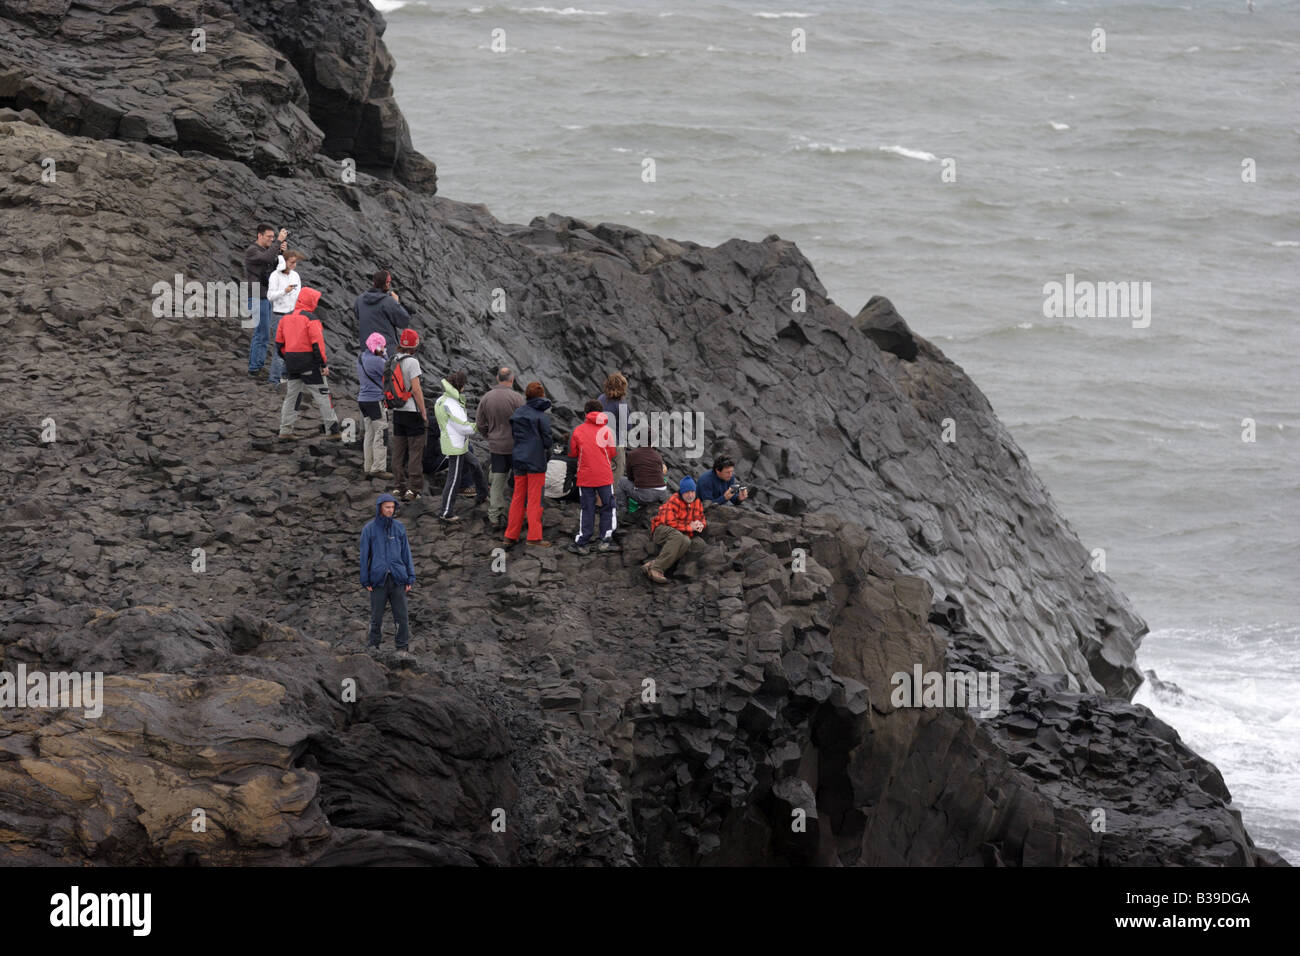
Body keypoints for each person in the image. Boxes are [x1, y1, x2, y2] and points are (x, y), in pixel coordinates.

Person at [275, 287, 341, 440]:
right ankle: (333, 431)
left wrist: (288, 357)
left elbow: (279, 344)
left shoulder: (286, 318)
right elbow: (318, 344)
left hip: (291, 362)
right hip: (309, 363)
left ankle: (285, 430)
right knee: (323, 395)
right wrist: (323, 364)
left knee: (291, 396)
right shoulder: (311, 319)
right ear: (310, 301)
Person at [359, 493, 415, 656]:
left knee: (402, 616)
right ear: (380, 508)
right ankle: (373, 646)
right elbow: (364, 556)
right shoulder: (369, 529)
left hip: (398, 578)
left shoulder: (399, 528)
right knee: (376, 616)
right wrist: (365, 579)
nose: (390, 510)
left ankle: (402, 648)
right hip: (377, 580)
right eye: (387, 507)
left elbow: (406, 553)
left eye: (392, 507)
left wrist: (410, 576)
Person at [504, 381, 553, 548]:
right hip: (535, 462)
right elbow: (547, 440)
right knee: (534, 499)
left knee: (517, 498)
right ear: (541, 395)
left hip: (518, 460)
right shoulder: (541, 416)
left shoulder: (518, 413)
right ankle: (534, 537)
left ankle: (510, 535)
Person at [476, 366, 525, 530]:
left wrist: (489, 436)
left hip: (496, 446)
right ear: (512, 379)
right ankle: (517, 516)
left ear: (497, 378)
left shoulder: (487, 397)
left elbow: (479, 423)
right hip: (516, 446)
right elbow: (525, 423)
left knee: (497, 481)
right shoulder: (517, 398)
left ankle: (494, 517)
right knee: (518, 481)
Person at [567, 399, 618, 555]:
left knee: (587, 508)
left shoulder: (578, 431)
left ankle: (582, 541)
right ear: (601, 413)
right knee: (608, 506)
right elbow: (612, 453)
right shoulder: (607, 431)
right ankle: (605, 539)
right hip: (604, 474)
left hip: (586, 475)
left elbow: (572, 453)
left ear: (585, 413)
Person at [243, 223, 287, 383]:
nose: (272, 239)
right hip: (256, 296)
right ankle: (254, 368)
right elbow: (267, 258)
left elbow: (276, 267)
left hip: (265, 296)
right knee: (261, 334)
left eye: (273, 237)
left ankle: (256, 367)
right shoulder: (252, 250)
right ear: (259, 236)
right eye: (269, 237)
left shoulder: (265, 251)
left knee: (263, 334)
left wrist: (281, 251)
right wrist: (277, 244)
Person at [642, 476, 707, 585]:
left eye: (692, 491)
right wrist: (689, 527)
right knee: (678, 536)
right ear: (682, 492)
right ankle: (656, 569)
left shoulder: (697, 502)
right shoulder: (674, 500)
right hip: (661, 530)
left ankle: (653, 565)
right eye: (687, 492)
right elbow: (669, 522)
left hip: (678, 533)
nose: (690, 495)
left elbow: (702, 518)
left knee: (686, 541)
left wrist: (700, 524)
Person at [434, 371, 478, 522]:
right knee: (453, 479)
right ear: (461, 386)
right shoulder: (451, 404)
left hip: (450, 441)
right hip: (456, 445)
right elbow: (464, 427)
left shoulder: (441, 400)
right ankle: (446, 512)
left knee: (475, 464)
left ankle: (483, 493)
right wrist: (478, 426)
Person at [390, 329, 428, 501]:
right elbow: (416, 389)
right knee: (415, 452)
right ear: (414, 345)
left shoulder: (393, 359)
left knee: (398, 451)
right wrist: (424, 411)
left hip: (397, 411)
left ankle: (398, 486)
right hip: (412, 411)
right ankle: (414, 489)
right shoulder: (412, 362)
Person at [266, 251, 305, 391]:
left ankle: (284, 375)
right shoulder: (275, 276)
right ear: (284, 261)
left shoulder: (295, 275)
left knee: (290, 348)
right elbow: (270, 296)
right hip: (278, 315)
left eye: (295, 262)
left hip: (292, 314)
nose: (294, 265)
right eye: (291, 262)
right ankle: (274, 379)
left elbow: (299, 295)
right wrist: (285, 291)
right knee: (279, 349)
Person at [356, 332, 391, 479]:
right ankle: (378, 468)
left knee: (369, 433)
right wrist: (385, 355)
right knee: (381, 433)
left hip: (363, 399)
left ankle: (368, 466)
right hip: (375, 400)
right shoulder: (378, 361)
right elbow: (390, 371)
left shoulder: (361, 358)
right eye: (382, 346)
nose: (383, 348)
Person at [355, 269, 411, 355]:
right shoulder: (388, 301)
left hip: (367, 350)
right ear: (386, 283)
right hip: (385, 351)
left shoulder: (360, 299)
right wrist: (396, 303)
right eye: (389, 282)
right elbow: (404, 321)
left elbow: (358, 315)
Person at [616, 442, 670, 512]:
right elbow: (660, 474)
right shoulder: (657, 455)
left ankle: (623, 510)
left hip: (645, 496)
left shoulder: (632, 454)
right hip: (662, 493)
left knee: (621, 481)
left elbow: (630, 477)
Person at [598, 372, 629, 490]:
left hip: (599, 440)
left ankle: (599, 497)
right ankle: (611, 497)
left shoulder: (600, 398)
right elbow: (626, 426)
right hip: (615, 442)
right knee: (617, 471)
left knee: (601, 470)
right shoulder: (621, 403)